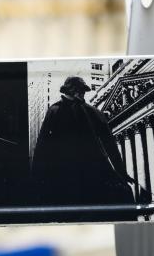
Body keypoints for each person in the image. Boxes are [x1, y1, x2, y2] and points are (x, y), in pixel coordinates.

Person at [31, 76, 138, 208]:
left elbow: (110, 144)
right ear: (69, 91)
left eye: (83, 91)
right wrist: (37, 174)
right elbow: (42, 145)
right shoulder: (54, 110)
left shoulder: (93, 112)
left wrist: (121, 172)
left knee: (120, 196)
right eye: (79, 90)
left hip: (92, 171)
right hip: (65, 172)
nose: (82, 93)